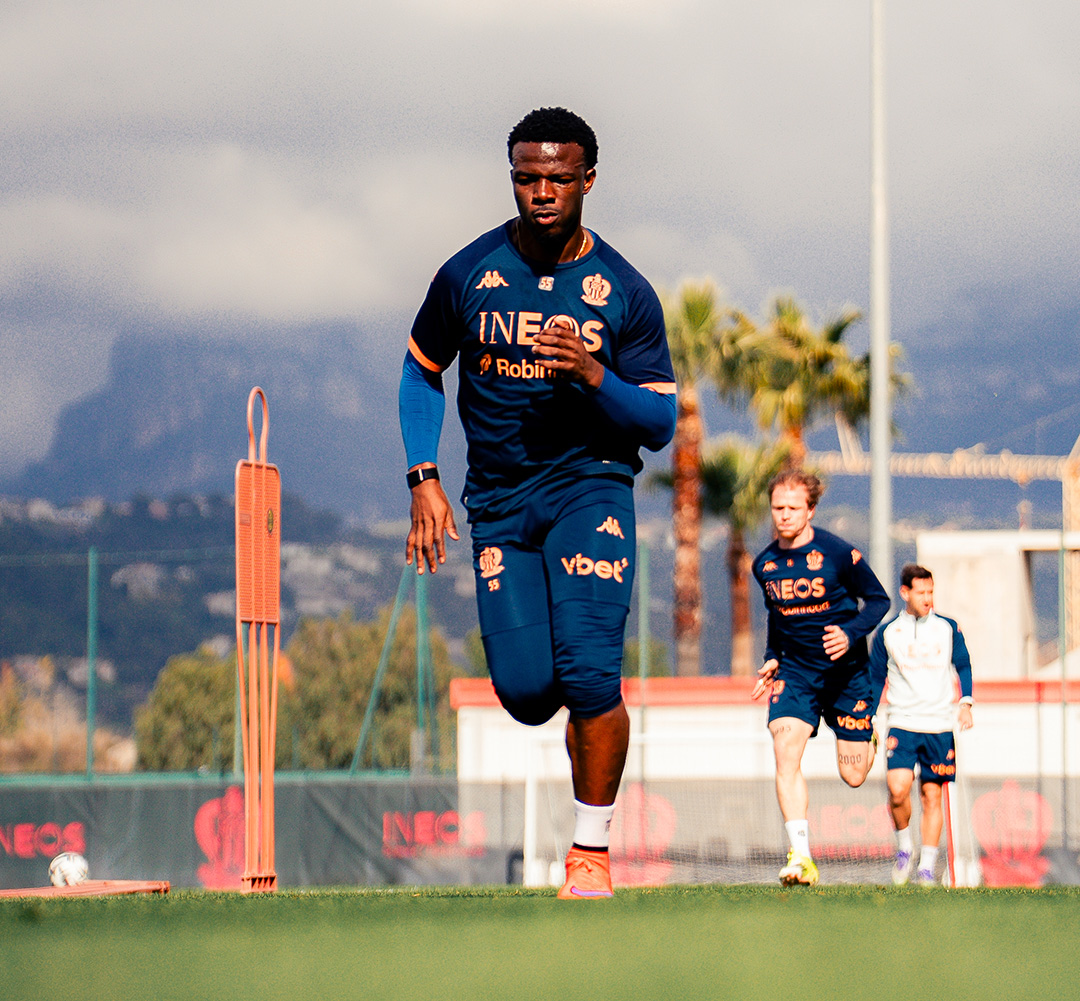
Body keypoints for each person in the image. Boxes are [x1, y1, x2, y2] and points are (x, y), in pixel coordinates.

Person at [398, 107, 676, 899]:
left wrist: (593, 374)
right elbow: (420, 370)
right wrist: (423, 476)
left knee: (590, 674)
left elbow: (660, 420)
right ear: (513, 178)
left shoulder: (624, 290)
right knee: (525, 694)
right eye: (527, 177)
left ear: (589, 179)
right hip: (499, 501)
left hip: (590, 487)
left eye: (559, 178)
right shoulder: (467, 274)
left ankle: (590, 853)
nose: (542, 192)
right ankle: (578, 717)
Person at [751, 470, 890, 886]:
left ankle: (865, 732)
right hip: (796, 673)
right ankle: (801, 857)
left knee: (854, 776)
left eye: (793, 508)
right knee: (784, 748)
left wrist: (850, 633)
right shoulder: (764, 564)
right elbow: (777, 618)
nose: (784, 515)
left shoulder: (838, 553)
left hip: (846, 675)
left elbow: (878, 600)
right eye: (778, 507)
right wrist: (772, 658)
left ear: (810, 509)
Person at [870, 564, 974, 886]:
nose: (928, 598)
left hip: (939, 725)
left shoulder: (948, 628)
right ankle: (905, 847)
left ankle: (927, 866)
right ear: (905, 593)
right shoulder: (888, 632)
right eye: (921, 592)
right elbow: (875, 677)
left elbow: (963, 665)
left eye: (931, 591)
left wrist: (966, 703)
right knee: (898, 789)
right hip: (902, 722)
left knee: (931, 795)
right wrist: (869, 718)